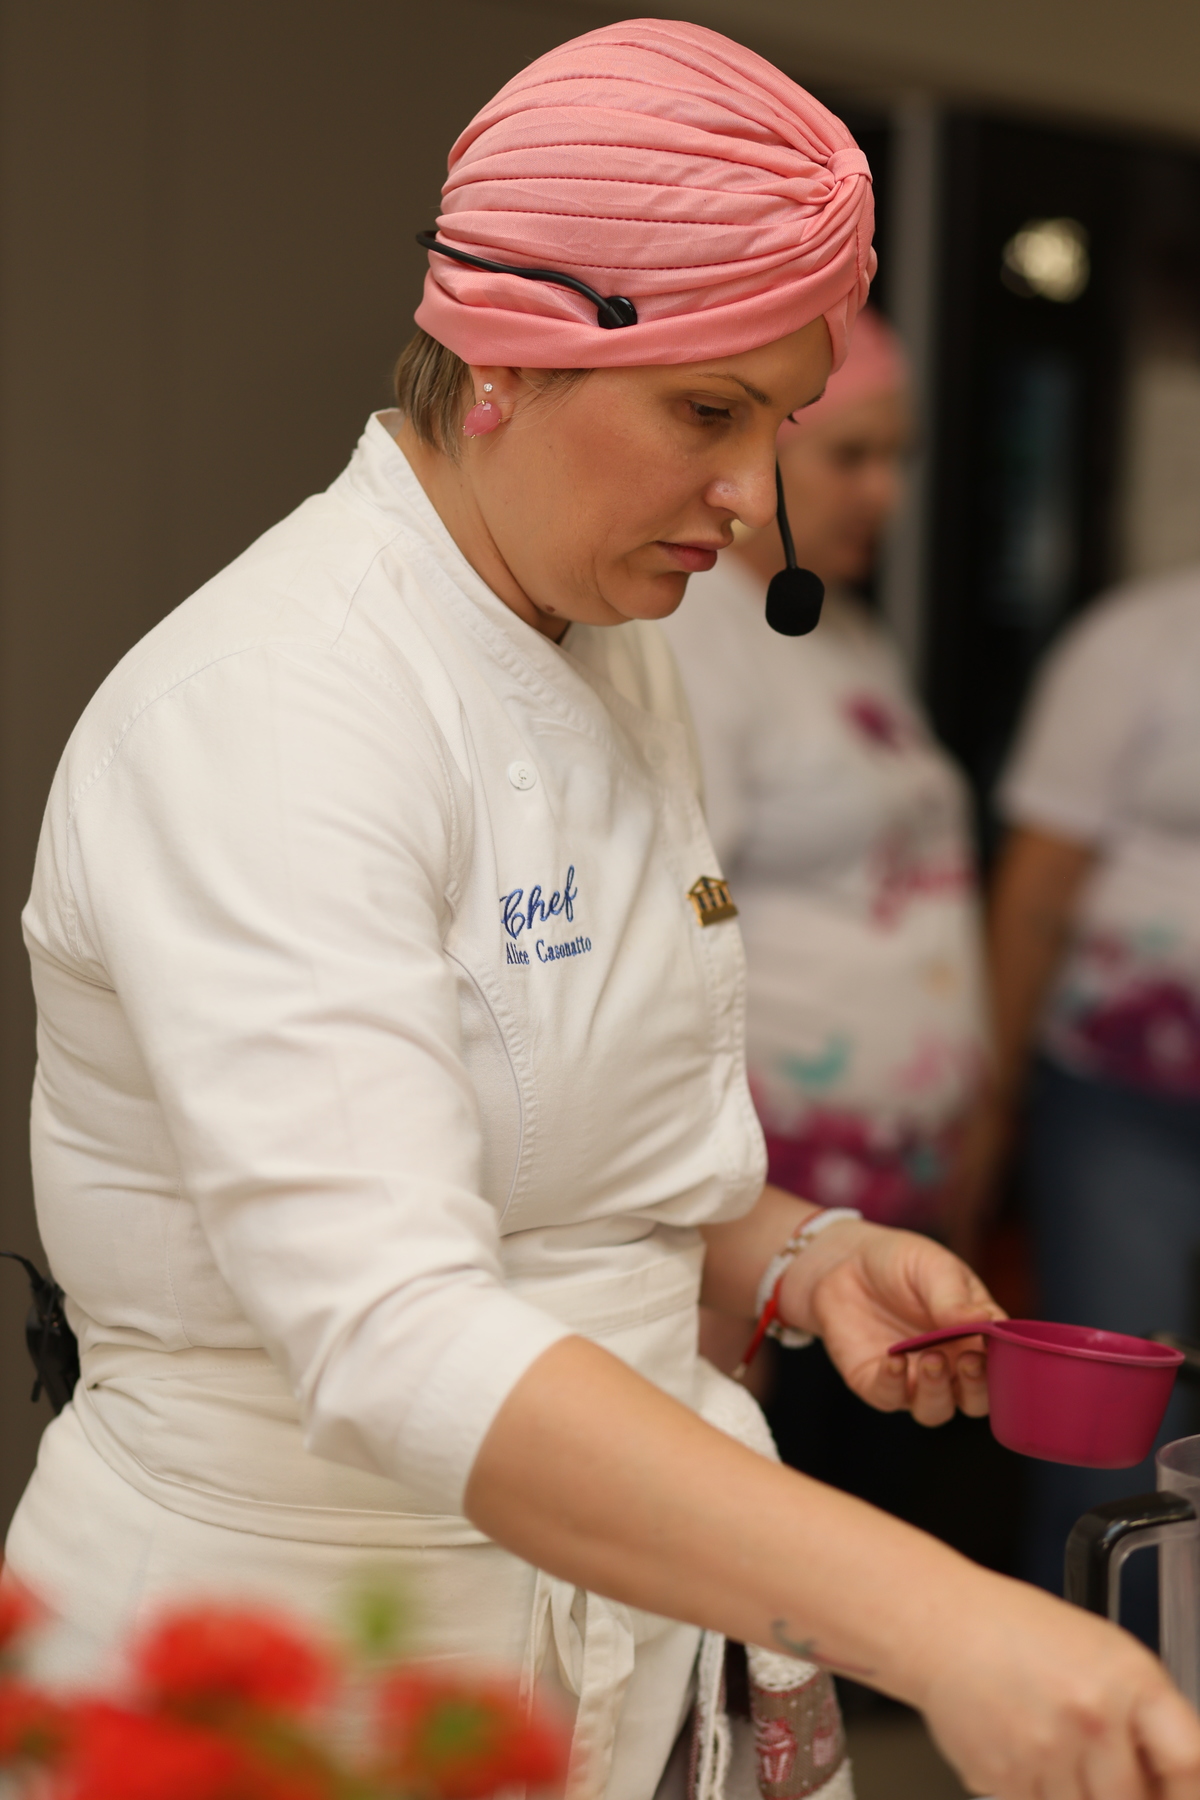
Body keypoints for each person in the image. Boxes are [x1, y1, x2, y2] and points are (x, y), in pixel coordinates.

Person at [5, 21, 1198, 1800]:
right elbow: (393, 1325)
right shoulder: (276, 711)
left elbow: (570, 1168)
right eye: (707, 413)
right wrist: (941, 1622)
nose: (751, 497)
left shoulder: (598, 640)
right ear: (499, 355)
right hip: (308, 1663)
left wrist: (795, 1258)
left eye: (780, 422)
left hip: (608, 1643)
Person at [662, 309, 987, 1240]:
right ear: (756, 448)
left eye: (897, 458)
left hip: (903, 1157)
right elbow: (684, 908)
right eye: (851, 456)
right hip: (772, 1175)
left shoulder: (847, 628)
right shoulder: (692, 630)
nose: (885, 493)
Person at [964, 562, 1200, 1613]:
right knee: (1108, 1437)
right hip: (1123, 1104)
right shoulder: (1139, 639)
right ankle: (1080, 1701)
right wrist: (990, 1102)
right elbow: (1036, 887)